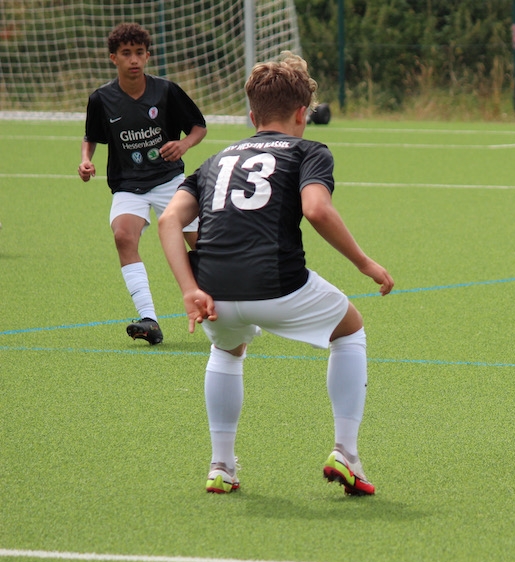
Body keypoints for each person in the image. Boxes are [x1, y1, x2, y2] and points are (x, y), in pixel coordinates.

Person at [157, 52, 394, 495]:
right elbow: (317, 209)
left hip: (213, 292)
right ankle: (346, 452)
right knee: (349, 330)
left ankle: (221, 466)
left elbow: (170, 221)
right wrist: (365, 263)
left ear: (252, 116)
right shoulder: (309, 150)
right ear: (303, 114)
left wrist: (189, 289)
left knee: (227, 351)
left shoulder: (215, 160)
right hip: (278, 286)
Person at [79, 22, 207, 345]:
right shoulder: (101, 99)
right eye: (126, 53)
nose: (133, 59)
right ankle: (149, 320)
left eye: (139, 52)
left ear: (148, 55)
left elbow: (198, 127)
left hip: (169, 181)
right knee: (123, 235)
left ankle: (234, 305)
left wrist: (183, 144)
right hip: (127, 185)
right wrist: (85, 159)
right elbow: (91, 136)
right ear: (113, 58)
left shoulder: (166, 91)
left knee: (202, 243)